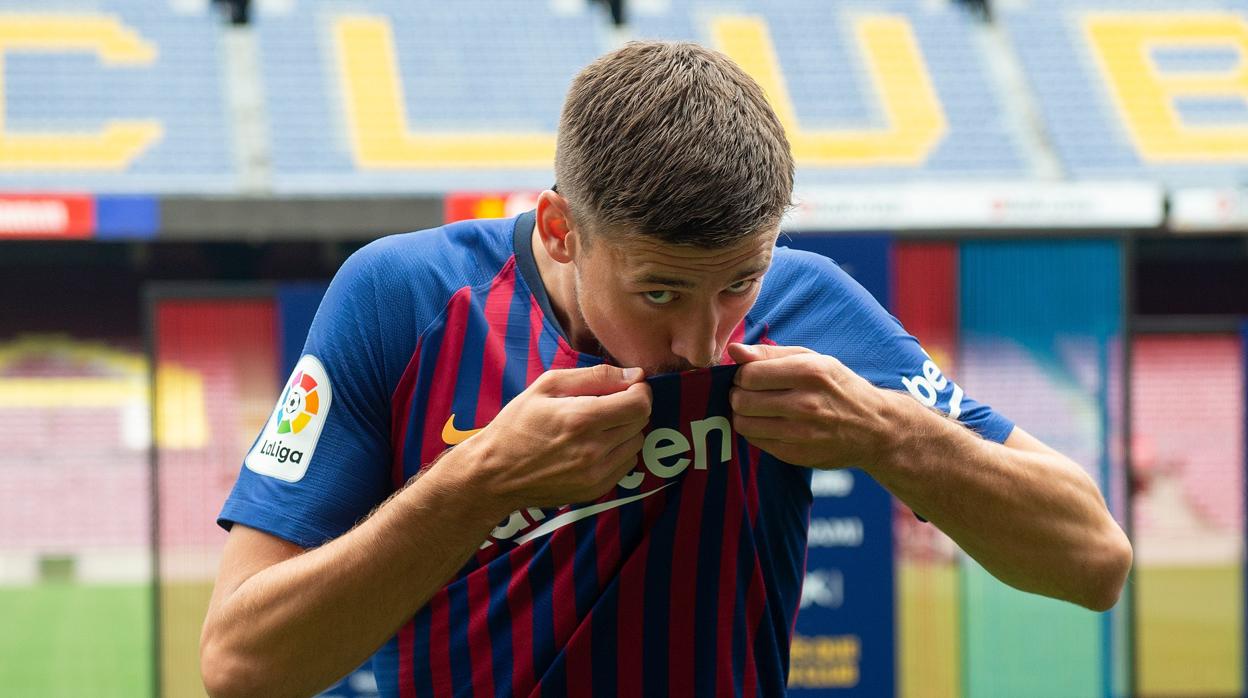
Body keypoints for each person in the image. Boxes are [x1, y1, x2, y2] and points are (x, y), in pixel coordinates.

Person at [200, 41, 1132, 697]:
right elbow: (243, 665)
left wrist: (890, 434)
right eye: (661, 294)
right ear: (562, 231)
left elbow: (1093, 561)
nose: (705, 342)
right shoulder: (400, 300)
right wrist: (475, 482)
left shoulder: (808, 307)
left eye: (739, 283)